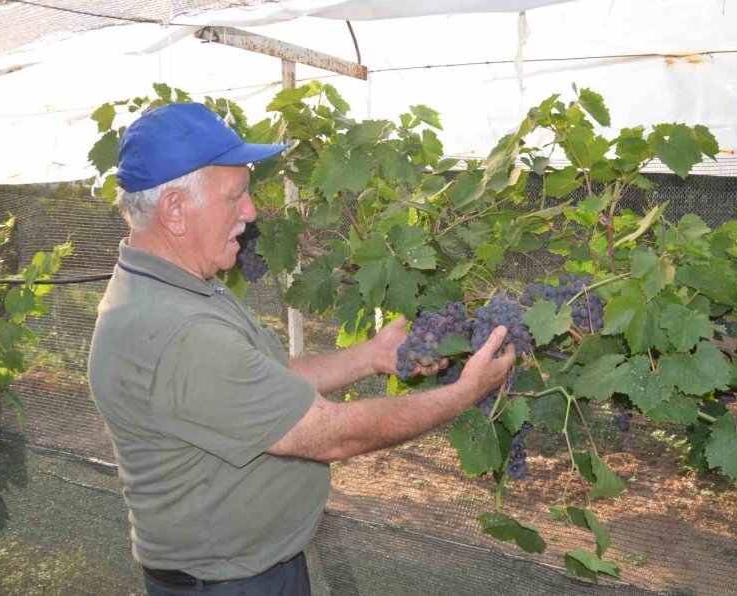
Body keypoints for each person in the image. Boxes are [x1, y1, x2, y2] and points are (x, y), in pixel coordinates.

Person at [87, 102, 515, 595]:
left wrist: (370, 356)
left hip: (243, 573)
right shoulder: (177, 330)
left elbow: (261, 379)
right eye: (235, 197)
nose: (251, 212)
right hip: (231, 586)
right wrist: (463, 394)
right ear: (175, 210)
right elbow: (330, 435)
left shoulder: (172, 287)